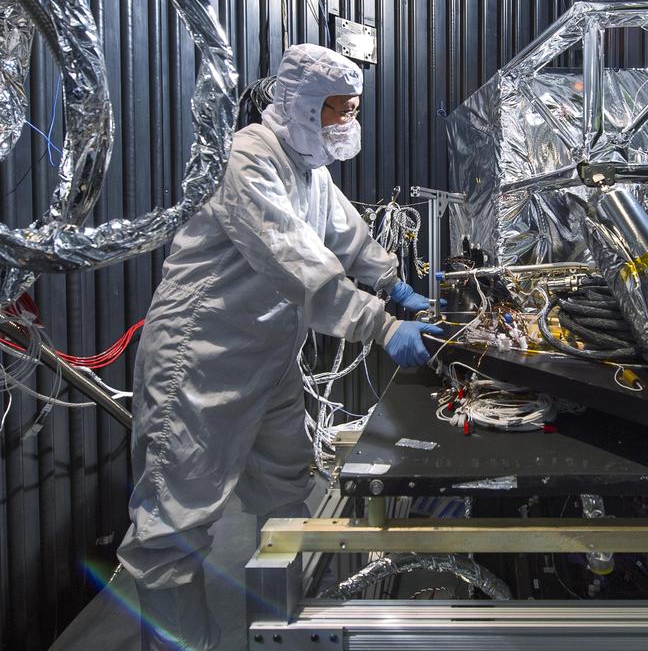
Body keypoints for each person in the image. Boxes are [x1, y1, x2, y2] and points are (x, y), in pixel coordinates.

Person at [117, 43, 441, 650]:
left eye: (353, 108)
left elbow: (349, 239)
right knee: (175, 521)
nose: (347, 122)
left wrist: (397, 286)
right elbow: (295, 261)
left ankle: (276, 630)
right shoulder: (245, 159)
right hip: (202, 359)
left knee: (286, 491)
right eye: (337, 109)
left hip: (268, 360)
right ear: (300, 104)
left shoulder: (310, 171)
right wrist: (380, 324)